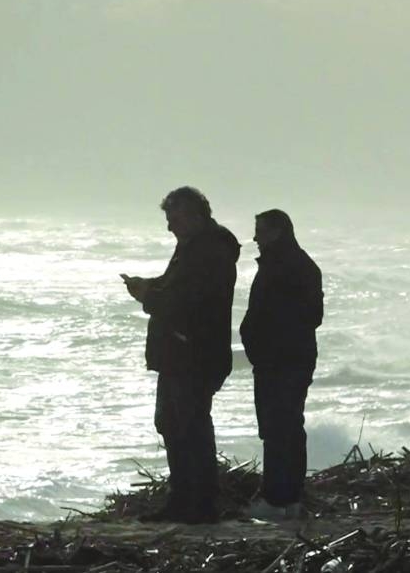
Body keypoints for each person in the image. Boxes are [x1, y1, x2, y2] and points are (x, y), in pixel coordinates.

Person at [123, 187, 240, 524]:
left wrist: (149, 296)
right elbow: (178, 288)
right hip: (179, 354)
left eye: (173, 219)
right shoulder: (194, 248)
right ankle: (183, 499)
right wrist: (150, 286)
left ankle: (201, 504)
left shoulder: (211, 251)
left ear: (193, 216)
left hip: (194, 354)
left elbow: (190, 304)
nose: (169, 227)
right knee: (172, 424)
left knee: (191, 427)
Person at [240, 209, 324, 520]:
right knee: (284, 426)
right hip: (282, 358)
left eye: (260, 231)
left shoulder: (289, 266)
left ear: (276, 232)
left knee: (279, 428)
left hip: (283, 360)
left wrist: (269, 340)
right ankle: (288, 497)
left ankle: (278, 498)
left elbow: (309, 315)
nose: (255, 238)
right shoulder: (291, 264)